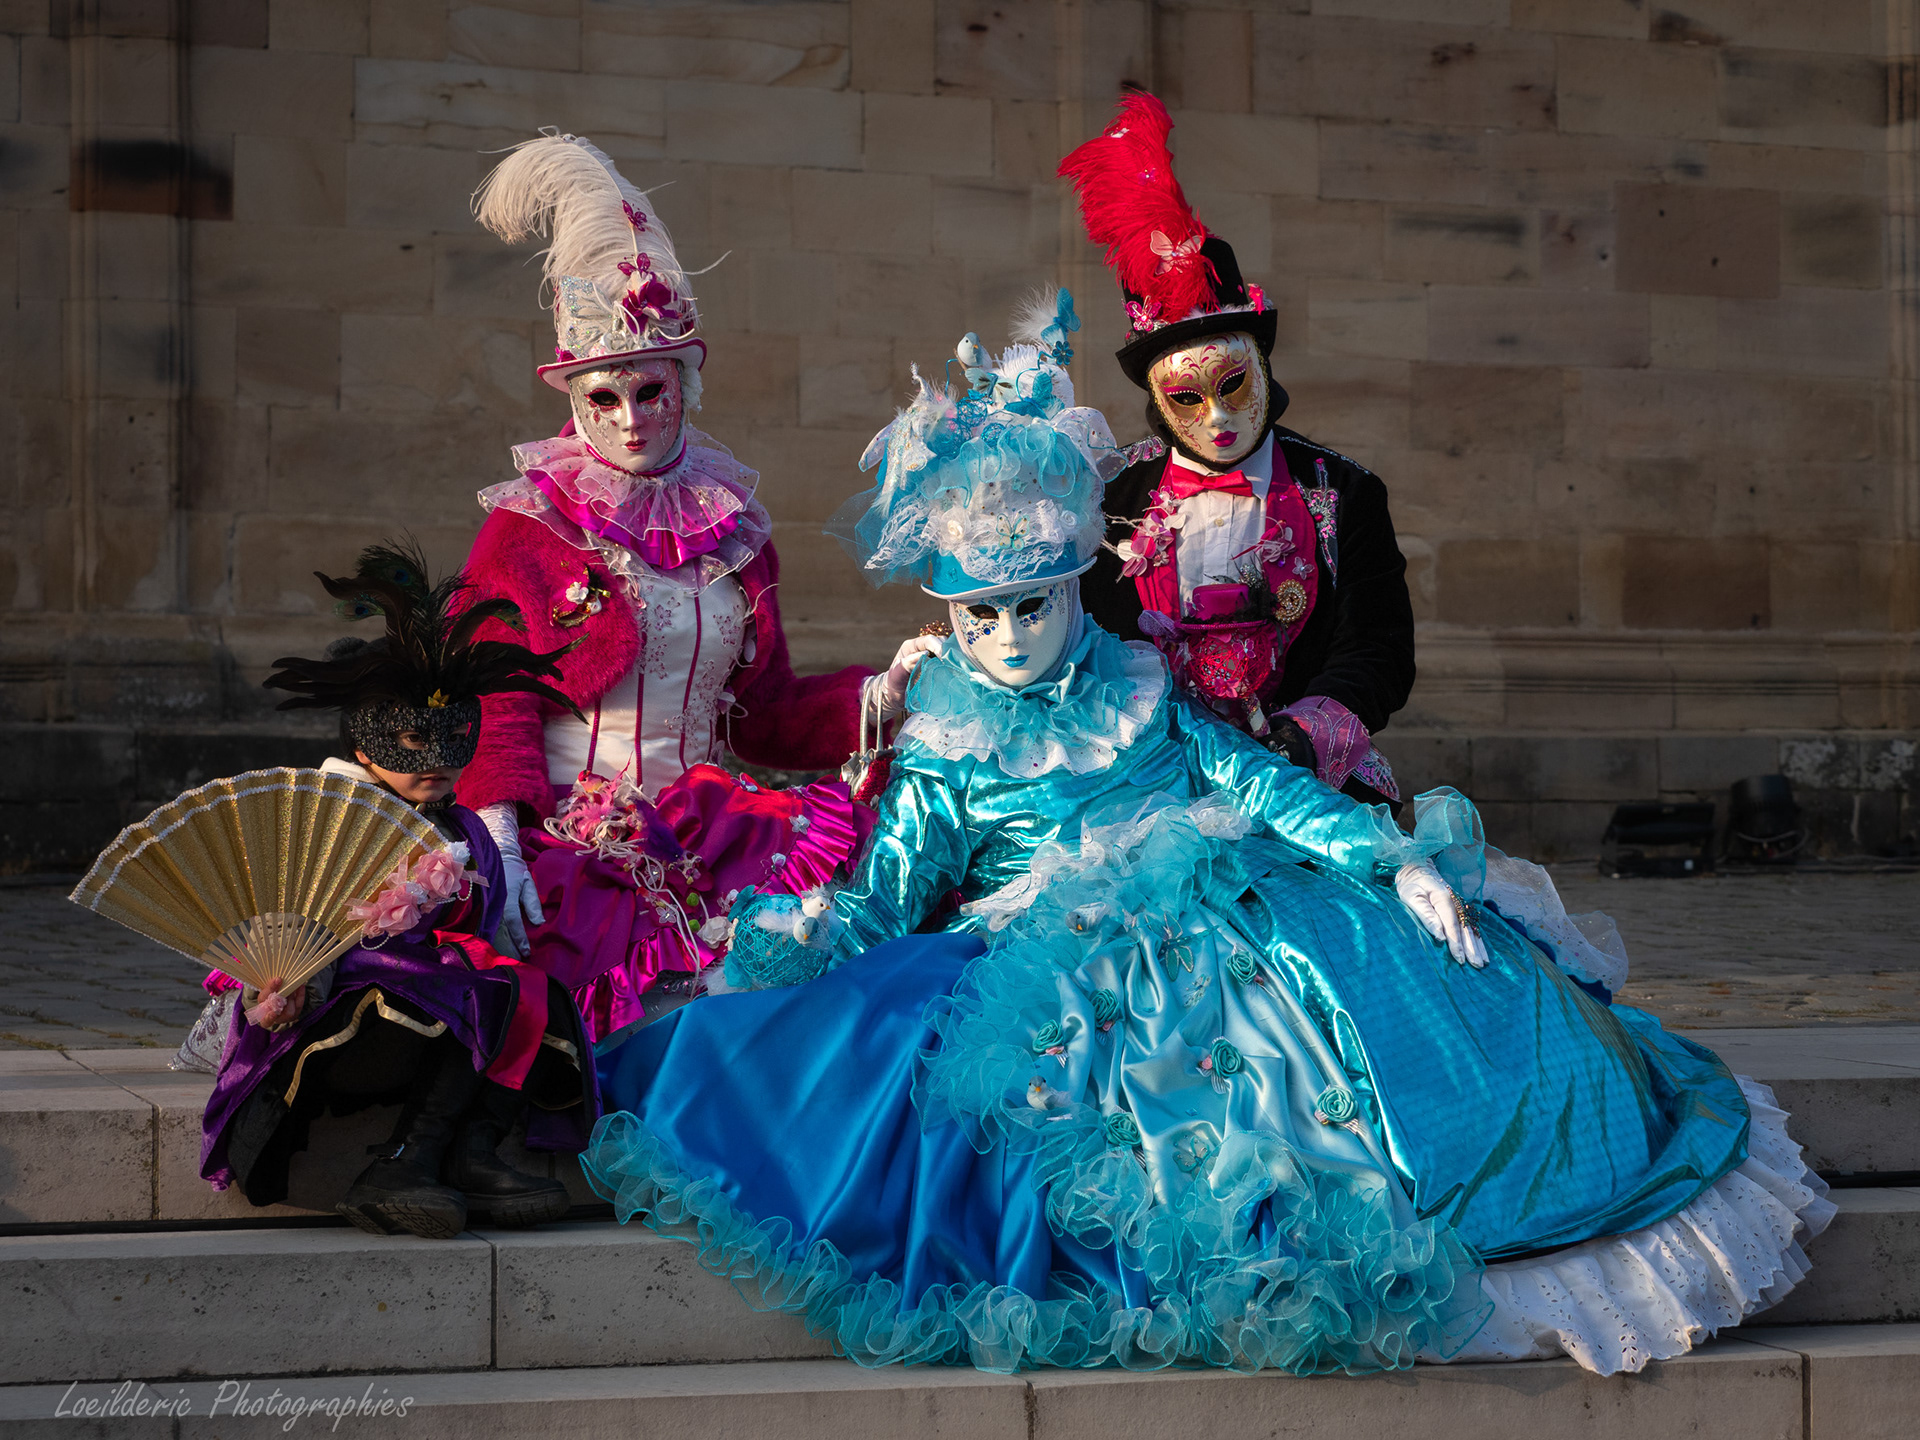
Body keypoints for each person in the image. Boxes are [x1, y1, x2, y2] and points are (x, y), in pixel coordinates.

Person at [584, 311, 1832, 1377]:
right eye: (982, 615)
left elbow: (1266, 789)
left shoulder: (1143, 686)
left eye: (1034, 605)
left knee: (1443, 996)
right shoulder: (947, 743)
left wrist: (1391, 860)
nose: (1011, 639)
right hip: (1047, 969)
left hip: (1226, 904)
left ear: (1076, 587)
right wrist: (788, 945)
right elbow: (885, 895)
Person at [456, 133, 932, 1046]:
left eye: (650, 391)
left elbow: (767, 715)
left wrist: (882, 696)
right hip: (571, 848)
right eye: (604, 398)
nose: (631, 419)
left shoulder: (736, 534)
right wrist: (500, 838)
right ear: (573, 398)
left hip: (715, 832)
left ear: (686, 381)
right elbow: (495, 697)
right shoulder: (529, 528)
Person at [200, 545, 596, 1239]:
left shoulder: (466, 829)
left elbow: (489, 934)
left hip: (443, 1004)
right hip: (343, 1021)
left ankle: (468, 1150)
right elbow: (285, 922)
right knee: (462, 988)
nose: (437, 762)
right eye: (413, 740)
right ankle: (400, 1167)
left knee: (534, 992)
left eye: (453, 739)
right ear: (365, 746)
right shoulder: (328, 821)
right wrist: (284, 991)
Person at [1060, 94, 1413, 810]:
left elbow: (1377, 647)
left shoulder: (1342, 493)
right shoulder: (1105, 496)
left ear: (1263, 368)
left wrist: (1304, 736)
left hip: (1303, 783)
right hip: (1145, 786)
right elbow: (1073, 639)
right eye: (1188, 397)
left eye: (1233, 385)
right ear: (1156, 398)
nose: (1218, 418)